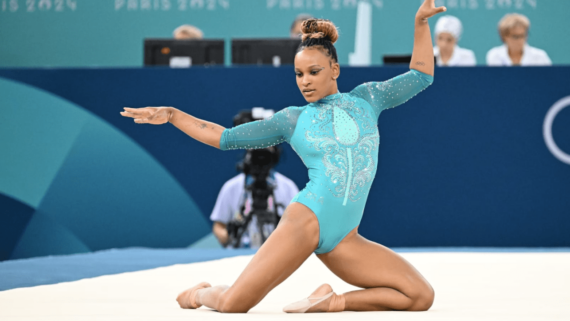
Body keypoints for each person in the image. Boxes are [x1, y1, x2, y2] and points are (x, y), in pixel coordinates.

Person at [121, 0, 445, 314]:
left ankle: (332, 301)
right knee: (235, 303)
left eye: (313, 72)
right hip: (306, 222)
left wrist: (420, 24)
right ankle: (200, 293)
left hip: (346, 238)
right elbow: (223, 137)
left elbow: (420, 75)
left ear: (335, 69)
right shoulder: (292, 119)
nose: (305, 81)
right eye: (298, 74)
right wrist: (173, 115)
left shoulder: (367, 99)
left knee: (420, 296)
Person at [211, 145, 299, 248]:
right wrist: (230, 234)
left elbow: (301, 227)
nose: (261, 159)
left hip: (278, 256)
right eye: (257, 153)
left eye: (265, 153)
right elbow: (219, 226)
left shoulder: (288, 187)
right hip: (241, 257)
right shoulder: (231, 187)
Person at [486, 13, 551, 66]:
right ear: (504, 36)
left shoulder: (540, 56)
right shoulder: (495, 55)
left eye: (523, 35)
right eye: (515, 36)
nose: (520, 40)